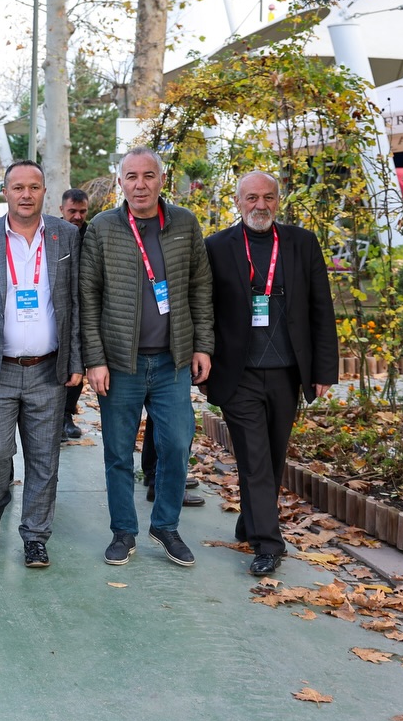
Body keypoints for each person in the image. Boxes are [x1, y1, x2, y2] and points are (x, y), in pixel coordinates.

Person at [81, 146, 213, 569]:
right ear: (121, 182)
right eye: (131, 176)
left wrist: (202, 344)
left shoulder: (185, 224)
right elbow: (88, 296)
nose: (140, 184)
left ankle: (166, 525)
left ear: (162, 180)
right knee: (118, 452)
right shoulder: (102, 227)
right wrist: (95, 359)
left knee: (176, 443)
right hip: (120, 363)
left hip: (172, 361)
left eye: (148, 176)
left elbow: (200, 289)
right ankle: (124, 531)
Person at [205, 171, 337, 575]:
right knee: (256, 457)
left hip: (287, 373)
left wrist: (324, 368)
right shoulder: (215, 247)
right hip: (238, 373)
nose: (260, 205)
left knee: (273, 456)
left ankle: (250, 522)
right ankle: (269, 543)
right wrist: (202, 359)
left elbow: (321, 308)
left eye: (268, 198)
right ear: (238, 200)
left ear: (278, 200)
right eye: (251, 198)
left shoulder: (301, 243)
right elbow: (204, 309)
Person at [0, 161, 81, 568]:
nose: (26, 194)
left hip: (49, 370)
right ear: (5, 192)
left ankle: (35, 535)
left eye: (34, 187)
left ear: (45, 191)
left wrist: (75, 360)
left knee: (45, 458)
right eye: (17, 188)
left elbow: (76, 305)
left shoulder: (67, 236)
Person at [58, 187, 89, 442]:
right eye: (72, 211)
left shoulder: (93, 234)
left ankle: (67, 414)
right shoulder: (52, 233)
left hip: (86, 307)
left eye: (82, 211)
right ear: (62, 210)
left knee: (79, 364)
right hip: (58, 308)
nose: (77, 216)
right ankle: (56, 416)